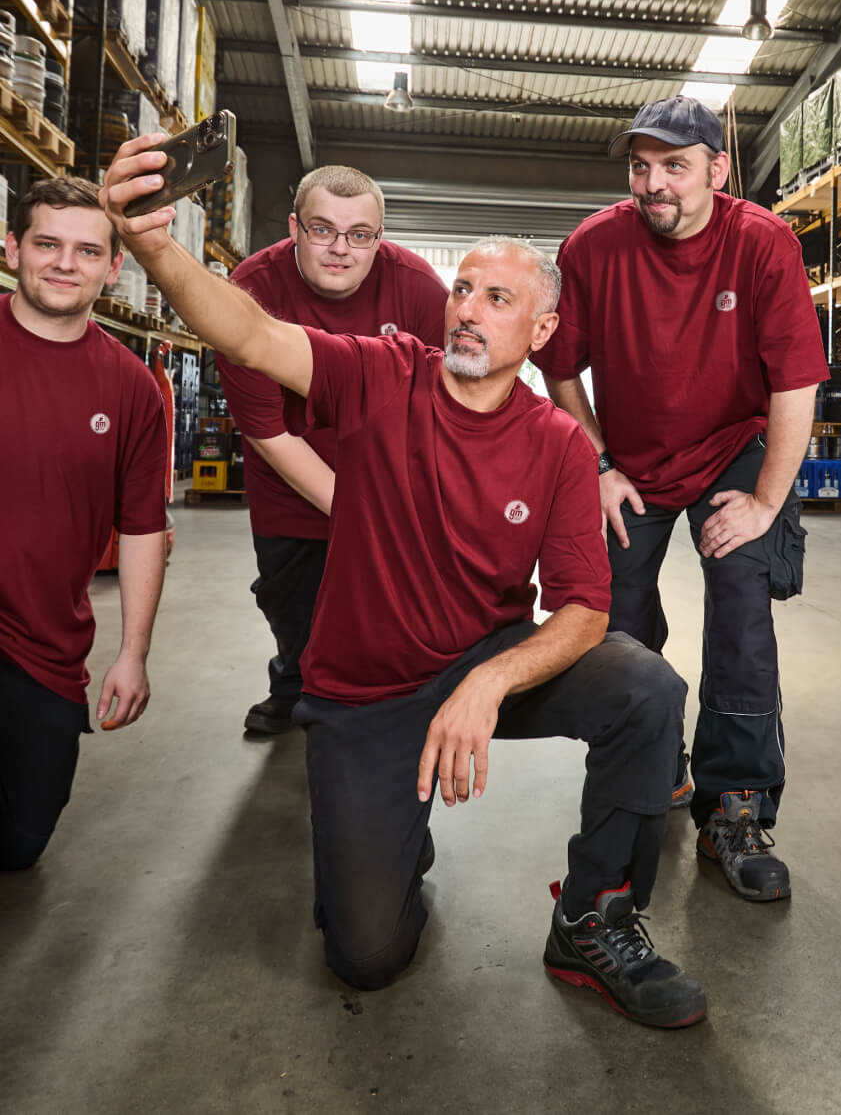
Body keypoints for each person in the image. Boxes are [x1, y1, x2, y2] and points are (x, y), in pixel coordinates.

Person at [100, 136, 706, 1029]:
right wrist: (152, 244)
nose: (466, 309)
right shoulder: (384, 375)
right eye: (461, 288)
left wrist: (488, 683)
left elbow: (583, 608)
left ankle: (593, 917)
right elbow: (250, 332)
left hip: (479, 661)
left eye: (497, 298)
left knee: (646, 688)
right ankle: (388, 841)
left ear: (539, 334)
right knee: (367, 957)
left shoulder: (557, 446)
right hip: (365, 691)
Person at [534, 95, 828, 904]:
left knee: (740, 602)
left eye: (673, 165)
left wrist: (767, 502)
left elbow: (795, 384)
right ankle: (652, 765)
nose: (653, 183)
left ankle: (734, 805)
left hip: (736, 444)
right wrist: (595, 463)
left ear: (716, 170)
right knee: (616, 619)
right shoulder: (593, 246)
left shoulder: (762, 243)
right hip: (632, 456)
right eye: (640, 166)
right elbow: (559, 367)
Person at [215, 165, 446, 737]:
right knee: (291, 606)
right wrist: (363, 512)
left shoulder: (417, 288)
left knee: (379, 615)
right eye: (323, 230)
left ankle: (368, 707)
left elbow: (449, 399)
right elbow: (271, 431)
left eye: (360, 235)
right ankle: (291, 682)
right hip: (290, 487)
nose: (341, 249)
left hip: (386, 485)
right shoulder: (251, 290)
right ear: (294, 227)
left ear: (379, 238)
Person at [0, 176, 167, 870]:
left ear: (113, 265)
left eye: (86, 250)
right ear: (12, 250)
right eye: (47, 244)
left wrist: (133, 652)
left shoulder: (131, 386)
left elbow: (142, 529)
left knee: (20, 844)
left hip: (44, 646)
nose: (65, 263)